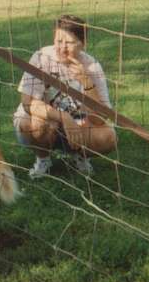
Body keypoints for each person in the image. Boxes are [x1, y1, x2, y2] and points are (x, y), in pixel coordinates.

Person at [13, 14, 117, 178]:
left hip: (78, 127)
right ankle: (43, 159)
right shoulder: (41, 58)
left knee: (108, 137)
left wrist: (87, 83)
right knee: (36, 124)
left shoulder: (92, 67)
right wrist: (64, 117)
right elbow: (28, 104)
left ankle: (80, 156)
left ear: (82, 44)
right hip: (44, 124)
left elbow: (100, 119)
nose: (62, 48)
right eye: (58, 41)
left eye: (68, 42)